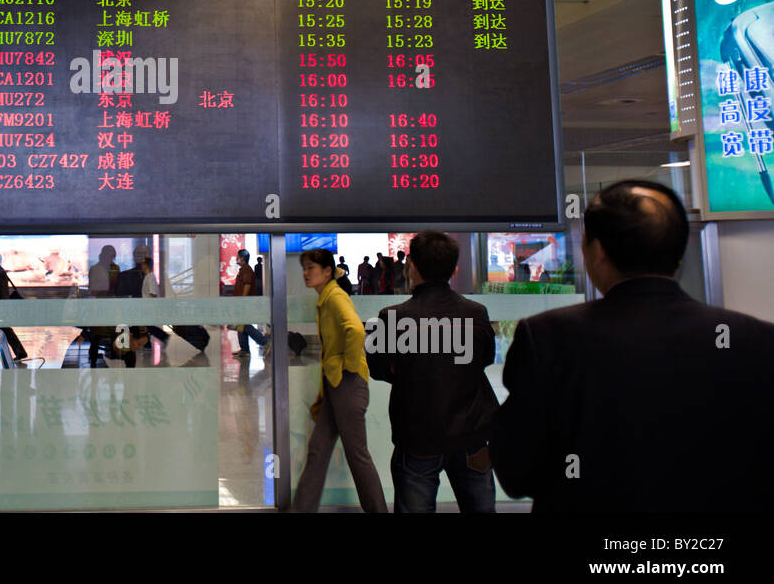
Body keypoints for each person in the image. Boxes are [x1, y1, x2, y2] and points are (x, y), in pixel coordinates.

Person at [491, 180, 774, 511]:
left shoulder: (548, 337)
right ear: (679, 253)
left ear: (596, 252)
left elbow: (517, 472)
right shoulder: (758, 341)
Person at [368, 231, 498, 513]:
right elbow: (484, 359)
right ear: (455, 269)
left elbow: (377, 369)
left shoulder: (392, 318)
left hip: (417, 438)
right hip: (471, 437)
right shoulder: (477, 313)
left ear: (411, 265)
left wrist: (411, 373)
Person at [292, 248, 387, 513]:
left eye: (311, 268)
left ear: (327, 272)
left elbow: (355, 329)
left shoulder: (334, 296)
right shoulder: (326, 297)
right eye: (305, 267)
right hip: (337, 387)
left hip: (347, 386)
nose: (306, 273)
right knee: (318, 451)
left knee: (357, 456)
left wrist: (347, 368)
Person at [232, 249, 267, 358]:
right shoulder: (243, 269)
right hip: (241, 302)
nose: (236, 258)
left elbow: (247, 285)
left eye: (237, 256)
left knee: (245, 325)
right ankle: (244, 349)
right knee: (240, 325)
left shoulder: (246, 270)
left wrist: (243, 301)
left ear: (242, 258)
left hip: (244, 303)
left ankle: (264, 341)